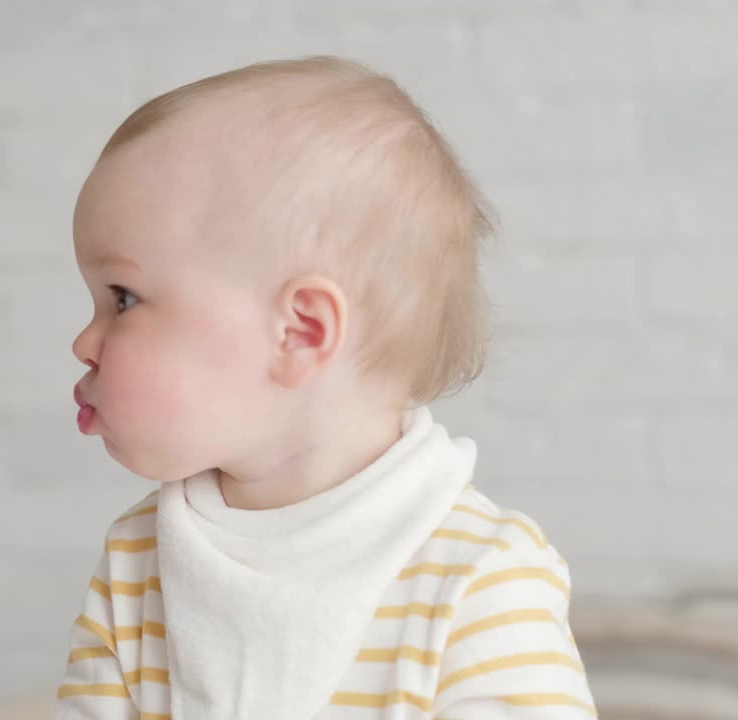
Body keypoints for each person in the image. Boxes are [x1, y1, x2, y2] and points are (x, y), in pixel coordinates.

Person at [55, 55, 597, 719]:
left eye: (123, 298)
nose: (84, 342)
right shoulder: (137, 560)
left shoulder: (479, 578)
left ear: (301, 332)